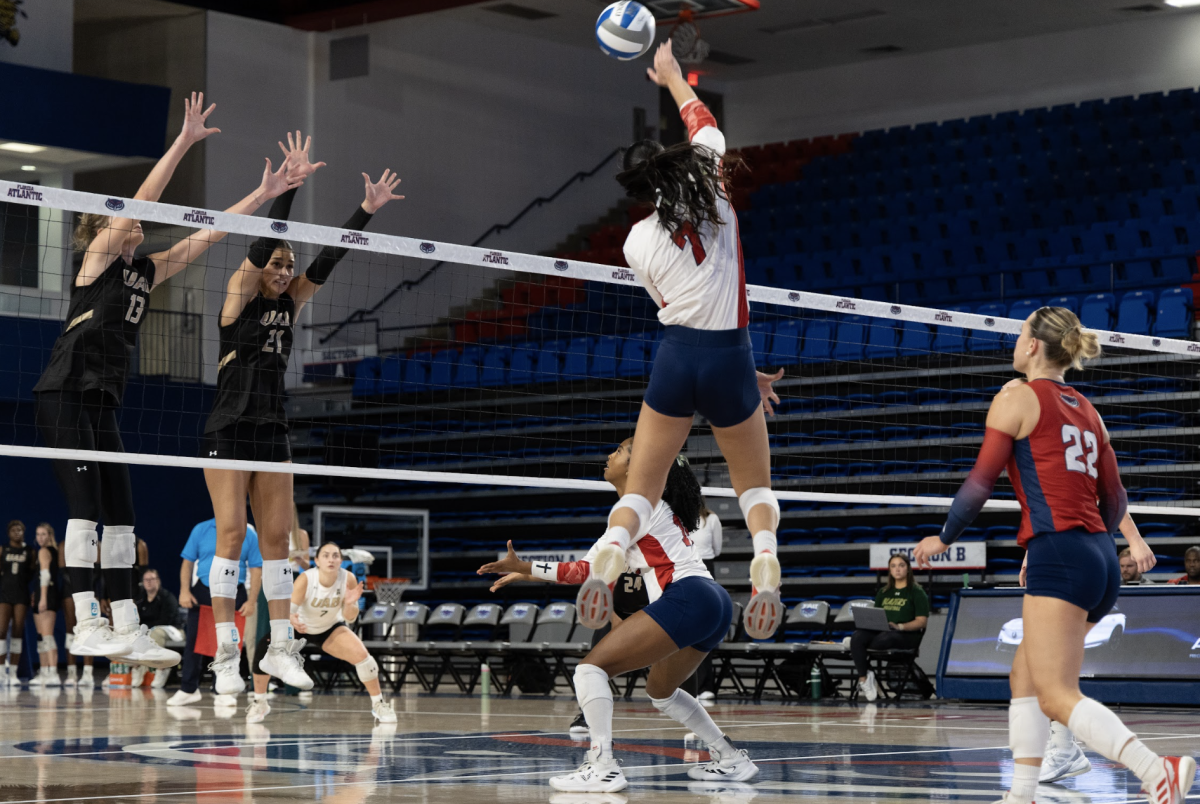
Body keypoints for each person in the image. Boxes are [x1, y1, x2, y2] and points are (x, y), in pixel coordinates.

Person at [32, 93, 300, 669]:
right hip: (64, 393)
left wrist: (265, 195)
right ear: (103, 227)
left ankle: (127, 624)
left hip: (101, 401)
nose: (133, 223)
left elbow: (208, 238)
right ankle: (86, 622)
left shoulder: (145, 274)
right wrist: (183, 142)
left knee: (123, 512)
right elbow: (140, 204)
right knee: (84, 511)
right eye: (119, 217)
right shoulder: (98, 261)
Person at [913, 306, 1195, 804]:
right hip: (1100, 557)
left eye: (1021, 330)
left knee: (1056, 693)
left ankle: (1156, 772)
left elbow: (979, 485)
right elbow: (1116, 502)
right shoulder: (1089, 410)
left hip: (1062, 552)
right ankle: (1020, 795)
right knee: (1025, 672)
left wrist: (943, 538)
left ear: (1032, 346)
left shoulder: (1016, 398)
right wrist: (1086, 545)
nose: (1016, 337)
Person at [201, 135, 402, 697]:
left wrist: (365, 210)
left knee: (279, 538)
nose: (285, 271)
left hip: (272, 427)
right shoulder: (238, 296)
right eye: (278, 263)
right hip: (227, 426)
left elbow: (330, 261)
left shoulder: (291, 304)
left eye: (290, 265)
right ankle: (223, 653)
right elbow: (267, 241)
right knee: (231, 532)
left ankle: (283, 645)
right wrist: (286, 191)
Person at [602, 41, 782, 641]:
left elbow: (670, 307)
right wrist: (673, 77)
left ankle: (611, 546)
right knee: (753, 483)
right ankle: (764, 554)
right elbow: (702, 120)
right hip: (732, 353)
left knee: (645, 487)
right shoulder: (714, 182)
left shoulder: (636, 240)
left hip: (678, 355)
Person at [479, 440, 758, 793]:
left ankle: (602, 765)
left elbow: (587, 570)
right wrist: (527, 569)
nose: (610, 453)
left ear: (636, 465)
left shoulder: (635, 504)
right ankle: (730, 757)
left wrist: (527, 566)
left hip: (688, 595)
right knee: (662, 691)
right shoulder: (645, 507)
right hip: (713, 599)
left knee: (589, 670)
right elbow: (587, 568)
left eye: (622, 450)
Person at [245, 542, 396, 725]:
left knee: (364, 658)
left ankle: (378, 704)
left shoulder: (348, 579)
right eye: (325, 555)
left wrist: (349, 603)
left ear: (340, 560)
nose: (331, 559)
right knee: (264, 649)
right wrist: (293, 621)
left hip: (328, 628)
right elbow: (289, 611)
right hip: (300, 626)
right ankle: (260, 702)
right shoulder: (306, 579)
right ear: (316, 560)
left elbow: (351, 617)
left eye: (335, 555)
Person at [169, 517, 262, 706]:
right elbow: (187, 561)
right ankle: (188, 689)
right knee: (193, 643)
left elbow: (256, 568)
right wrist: (184, 591)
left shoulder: (248, 532)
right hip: (203, 590)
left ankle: (223, 690)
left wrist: (252, 601)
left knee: (229, 642)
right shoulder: (201, 529)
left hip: (234, 592)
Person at [851, 553, 930, 702]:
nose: (897, 569)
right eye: (893, 566)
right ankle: (865, 678)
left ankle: (858, 650)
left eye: (901, 565)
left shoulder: (917, 592)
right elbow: (876, 617)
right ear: (890, 570)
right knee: (857, 637)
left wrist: (900, 626)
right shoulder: (883, 592)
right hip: (882, 632)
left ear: (908, 569)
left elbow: (921, 622)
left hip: (905, 635)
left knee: (882, 638)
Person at [690, 504, 722, 701]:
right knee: (684, 628)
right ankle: (684, 684)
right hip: (681, 569)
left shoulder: (712, 519)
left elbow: (717, 550)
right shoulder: (674, 517)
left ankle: (705, 685)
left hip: (705, 568)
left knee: (704, 628)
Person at [0, 520, 33, 685]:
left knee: (17, 632)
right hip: (4, 595)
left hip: (21, 595)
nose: (17, 532)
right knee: (1, 631)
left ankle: (12, 673)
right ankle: (1, 672)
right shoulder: (3, 550)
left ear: (23, 532)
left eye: (20, 530)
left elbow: (33, 573)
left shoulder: (29, 551)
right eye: (14, 530)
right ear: (9, 533)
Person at [29, 523, 62, 687]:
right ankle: (43, 672)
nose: (40, 537)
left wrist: (43, 598)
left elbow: (46, 575)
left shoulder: (44, 551)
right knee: (41, 636)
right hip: (42, 593)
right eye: (37, 534)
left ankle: (53, 673)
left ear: (50, 535)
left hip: (48, 595)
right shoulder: (46, 551)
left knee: (47, 636)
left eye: (43, 534)